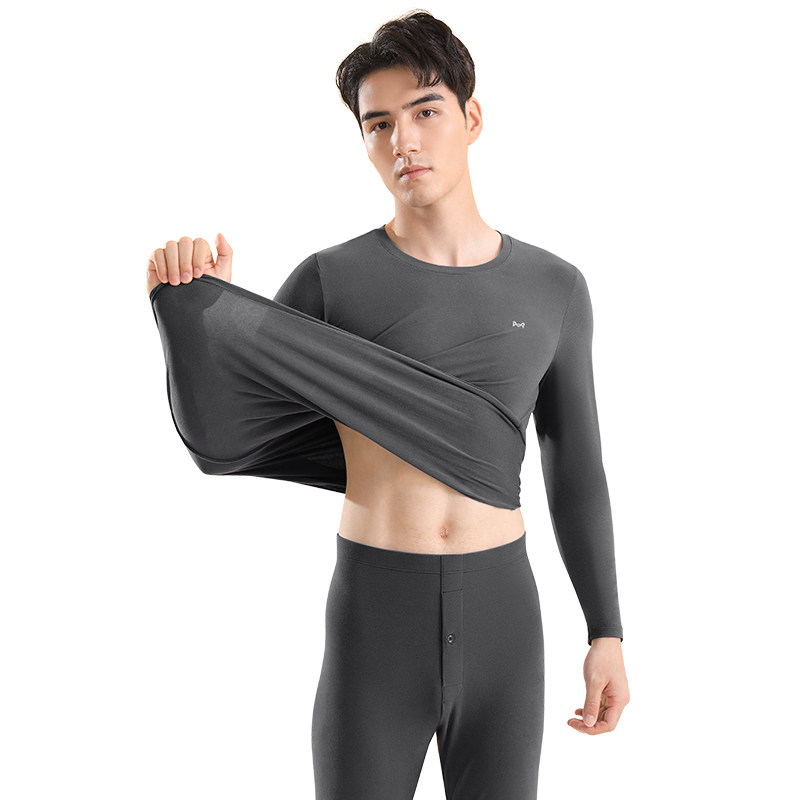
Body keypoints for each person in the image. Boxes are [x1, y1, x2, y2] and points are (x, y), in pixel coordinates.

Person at [145, 9, 629, 799]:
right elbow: (221, 436)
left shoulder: (555, 288)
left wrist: (605, 629)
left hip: (506, 623)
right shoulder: (330, 281)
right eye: (378, 124)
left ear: (472, 119)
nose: (403, 141)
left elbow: (575, 466)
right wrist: (201, 315)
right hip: (376, 623)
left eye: (425, 111)